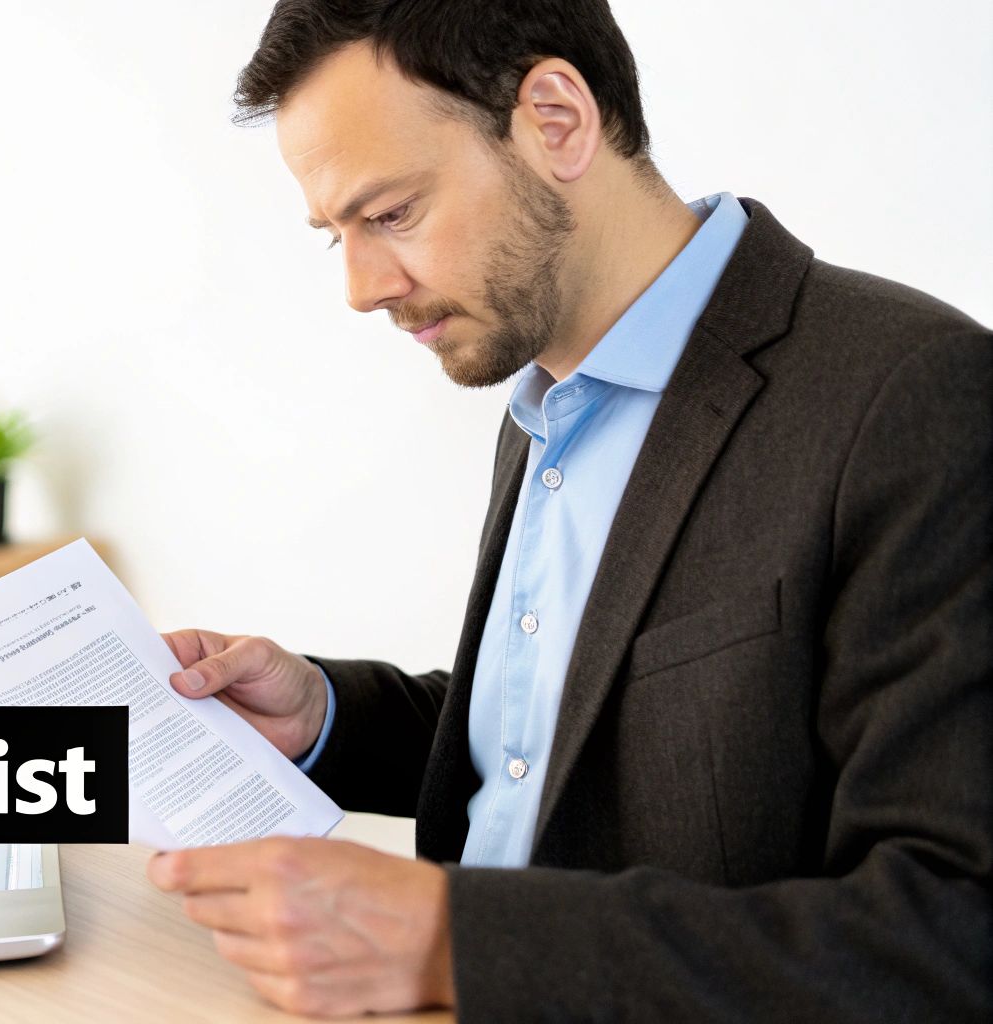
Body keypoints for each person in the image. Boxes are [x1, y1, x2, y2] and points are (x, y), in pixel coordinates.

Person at [146, 1, 993, 1018]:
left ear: (555, 119)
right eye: (334, 235)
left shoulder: (911, 393)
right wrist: (325, 717)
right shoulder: (544, 402)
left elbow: (950, 929)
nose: (361, 288)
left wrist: (452, 940)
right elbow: (573, 743)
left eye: (390, 213)